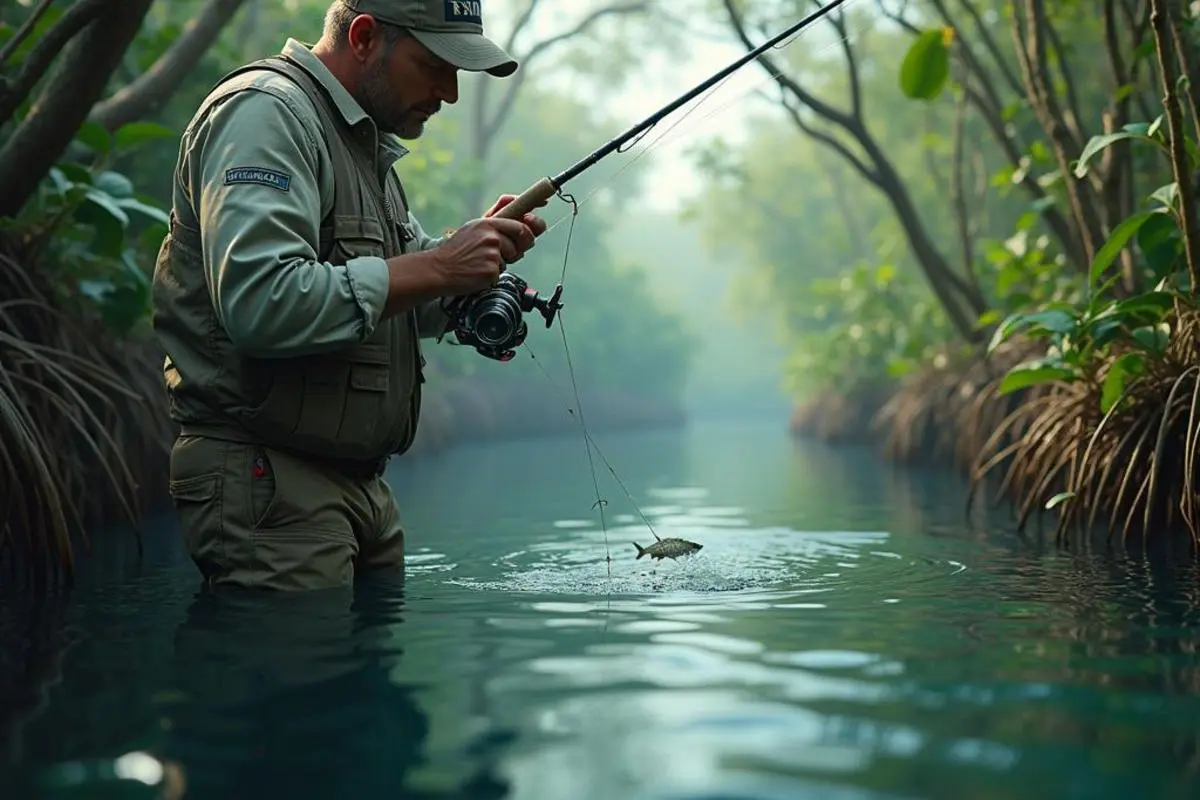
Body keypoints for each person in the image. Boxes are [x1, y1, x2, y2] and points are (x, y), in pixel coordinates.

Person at [151, 0, 547, 592]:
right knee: (299, 683)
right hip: (270, 482)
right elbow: (263, 302)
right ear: (364, 36)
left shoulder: (365, 146)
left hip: (360, 489)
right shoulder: (266, 113)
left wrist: (469, 273)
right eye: (435, 64)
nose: (451, 93)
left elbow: (401, 294)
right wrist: (440, 265)